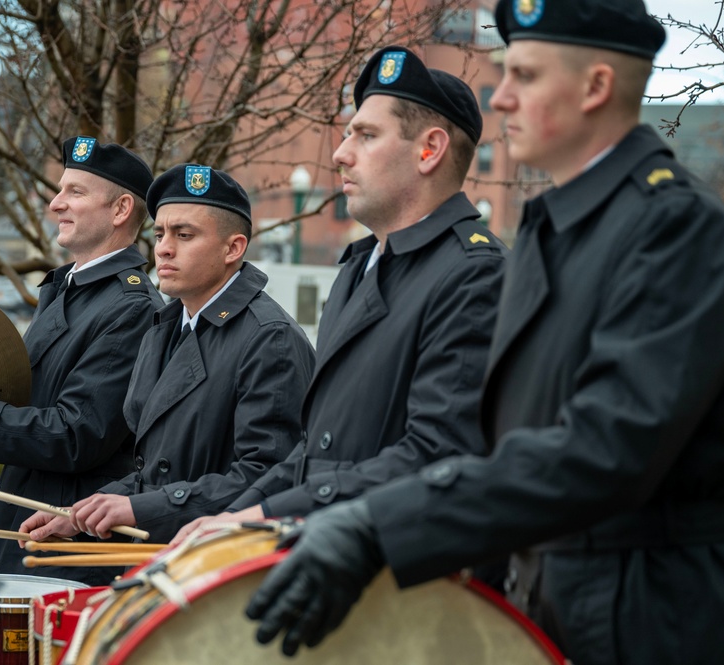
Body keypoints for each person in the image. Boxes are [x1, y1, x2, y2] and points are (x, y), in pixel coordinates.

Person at [244, 2, 724, 663]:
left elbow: (602, 450)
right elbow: (500, 442)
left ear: (595, 87)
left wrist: (379, 525)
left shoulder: (678, 228)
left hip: (672, 621)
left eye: (525, 76)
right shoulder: (551, 232)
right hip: (566, 603)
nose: (501, 99)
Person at [171, 46, 506, 546]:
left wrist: (269, 515)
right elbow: (315, 451)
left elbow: (434, 456)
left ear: (429, 150)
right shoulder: (357, 269)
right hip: (329, 556)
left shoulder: (474, 273)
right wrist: (230, 518)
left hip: (398, 576)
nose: (340, 152)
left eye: (366, 135)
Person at [19, 165, 315, 544]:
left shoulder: (269, 338)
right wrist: (82, 512)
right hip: (162, 554)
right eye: (159, 233)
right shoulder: (165, 326)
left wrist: (139, 509)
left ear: (233, 248)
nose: (163, 247)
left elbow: (269, 476)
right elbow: (155, 471)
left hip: (219, 567)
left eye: (184, 234)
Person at [0, 137, 163, 585]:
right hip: (20, 523)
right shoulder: (67, 289)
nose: (56, 204)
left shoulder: (131, 307)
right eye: (59, 190)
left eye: (75, 192)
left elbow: (77, 434)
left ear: (121, 209)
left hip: (65, 548)